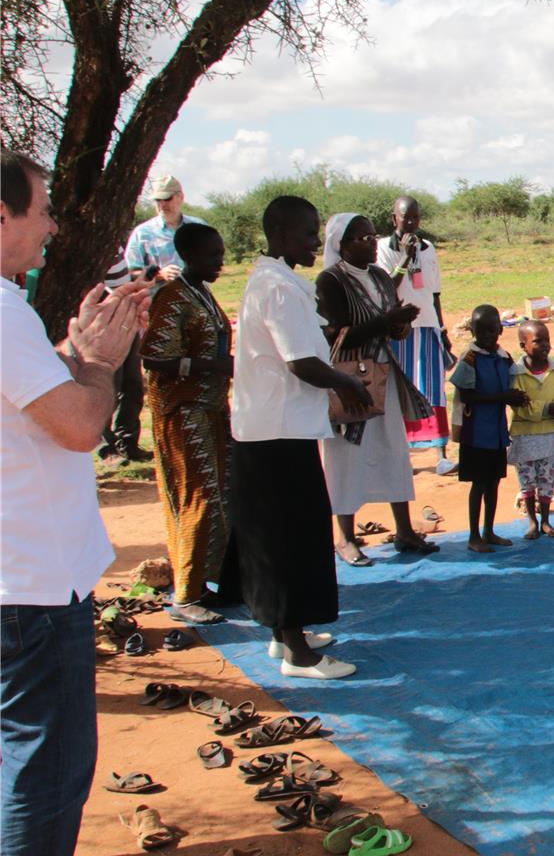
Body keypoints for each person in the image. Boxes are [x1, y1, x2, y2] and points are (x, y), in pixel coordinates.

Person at [2, 150, 171, 856]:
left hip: (22, 571)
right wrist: (100, 364)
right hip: (28, 578)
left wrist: (73, 352)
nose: (54, 225)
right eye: (41, 208)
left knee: (28, 755)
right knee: (47, 763)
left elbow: (40, 402)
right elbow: (74, 424)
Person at [232, 195, 369, 680]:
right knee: (291, 539)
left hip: (273, 429)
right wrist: (349, 382)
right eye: (309, 233)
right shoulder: (278, 288)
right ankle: (298, 654)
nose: (316, 242)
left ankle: (283, 633)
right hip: (277, 435)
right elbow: (301, 362)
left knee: (279, 534)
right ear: (281, 233)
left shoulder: (277, 281)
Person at [316, 213, 437, 565]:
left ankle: (403, 529)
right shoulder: (330, 281)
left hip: (383, 371)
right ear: (341, 244)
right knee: (347, 453)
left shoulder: (381, 277)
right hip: (349, 377)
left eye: (373, 237)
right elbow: (333, 334)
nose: (371, 243)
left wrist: (399, 324)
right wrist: (383, 323)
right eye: (362, 238)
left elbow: (388, 321)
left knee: (393, 447)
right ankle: (346, 537)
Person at [138, 222, 233, 624]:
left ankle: (214, 581)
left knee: (221, 492)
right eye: (213, 255)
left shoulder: (202, 293)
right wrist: (208, 364)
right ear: (189, 256)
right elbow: (153, 357)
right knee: (198, 495)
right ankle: (186, 594)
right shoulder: (173, 297)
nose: (220, 262)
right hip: (183, 411)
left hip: (211, 406)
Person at [110, 174, 209, 463]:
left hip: (197, 311)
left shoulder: (199, 228)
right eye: (158, 200)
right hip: (156, 315)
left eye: (167, 198)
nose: (162, 204)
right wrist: (159, 275)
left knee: (197, 372)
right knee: (159, 377)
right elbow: (130, 276)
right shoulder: (143, 233)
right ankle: (166, 443)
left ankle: (196, 436)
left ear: (180, 196)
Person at [376, 195, 456, 473]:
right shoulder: (383, 248)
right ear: (394, 218)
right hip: (399, 330)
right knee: (401, 391)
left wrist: (442, 330)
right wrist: (406, 256)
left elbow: (434, 293)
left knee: (434, 390)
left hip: (428, 325)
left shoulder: (428, 248)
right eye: (405, 217)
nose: (410, 222)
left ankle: (440, 454)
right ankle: (403, 455)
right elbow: (387, 287)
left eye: (415, 218)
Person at [449, 305, 523, 553]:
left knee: (494, 483)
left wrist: (515, 397)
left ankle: (489, 531)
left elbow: (513, 383)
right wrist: (503, 396)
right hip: (476, 432)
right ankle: (473, 535)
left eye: (493, 330)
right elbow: (468, 395)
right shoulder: (470, 359)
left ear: (501, 329)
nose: (488, 336)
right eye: (482, 332)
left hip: (497, 432)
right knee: (479, 484)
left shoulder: (504, 358)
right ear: (473, 331)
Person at [508, 320, 554, 540]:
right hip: (524, 437)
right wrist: (547, 408)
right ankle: (532, 521)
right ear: (523, 345)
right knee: (527, 481)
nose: (545, 345)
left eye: (547, 340)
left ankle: (545, 521)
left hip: (548, 435)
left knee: (547, 479)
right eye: (538, 341)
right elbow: (520, 405)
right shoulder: (516, 373)